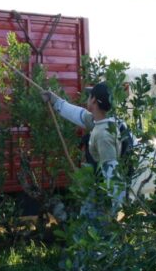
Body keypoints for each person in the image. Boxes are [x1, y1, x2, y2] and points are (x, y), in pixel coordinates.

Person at [42, 82, 123, 216]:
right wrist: (54, 100)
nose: (87, 98)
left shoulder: (104, 135)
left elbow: (112, 172)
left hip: (100, 200)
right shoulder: (104, 123)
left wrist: (113, 211)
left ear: (94, 101)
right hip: (95, 192)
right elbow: (78, 114)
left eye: (89, 96)